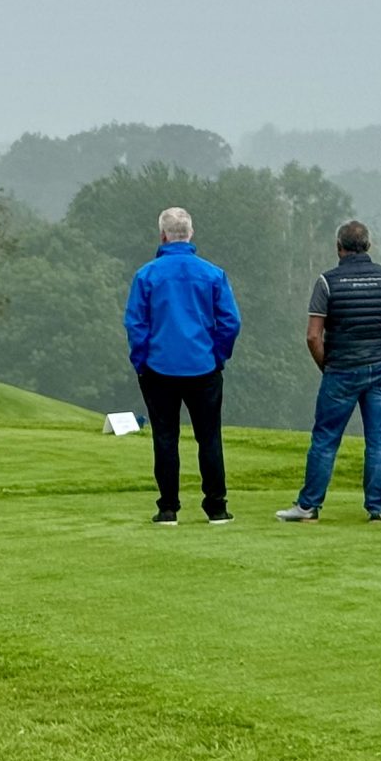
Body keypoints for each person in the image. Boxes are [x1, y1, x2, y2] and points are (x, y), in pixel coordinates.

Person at [276, 221, 381, 523]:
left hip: (341, 369)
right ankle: (376, 508)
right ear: (368, 245)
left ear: (339, 247)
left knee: (325, 439)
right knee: (378, 440)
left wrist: (327, 365)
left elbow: (313, 336)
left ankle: (309, 506)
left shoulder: (327, 282)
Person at [123, 207, 241, 525]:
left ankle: (168, 507)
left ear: (163, 235)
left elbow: (136, 323)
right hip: (203, 366)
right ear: (190, 234)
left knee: (165, 437)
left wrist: (142, 360)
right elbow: (230, 322)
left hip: (159, 368)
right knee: (209, 438)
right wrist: (218, 355)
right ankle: (216, 506)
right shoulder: (213, 274)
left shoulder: (147, 275)